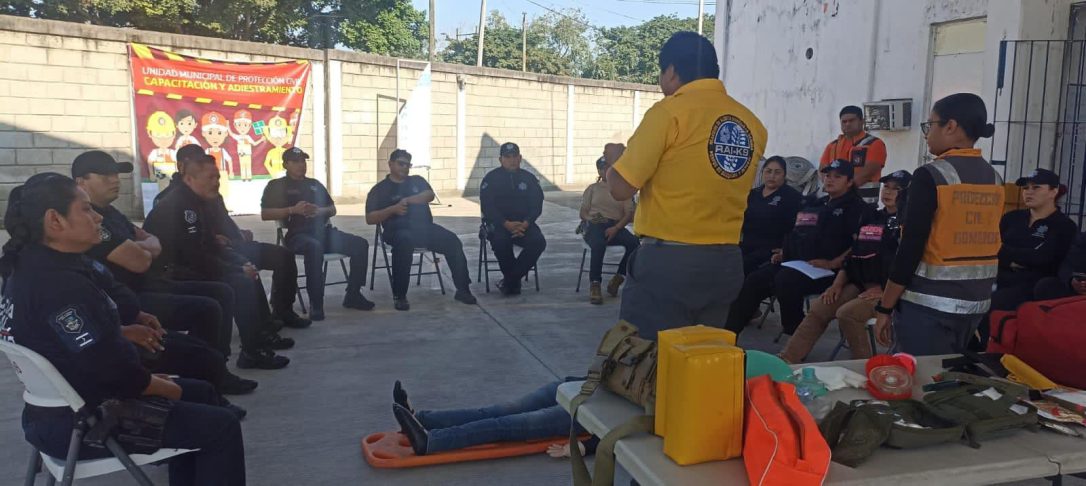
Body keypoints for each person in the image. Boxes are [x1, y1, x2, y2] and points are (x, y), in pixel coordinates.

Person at [0, 174, 245, 486]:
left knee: (202, 393)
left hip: (55, 411)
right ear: (55, 221)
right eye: (86, 209)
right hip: (81, 423)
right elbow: (115, 374)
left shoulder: (28, 267)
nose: (97, 217)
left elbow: (89, 353)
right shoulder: (60, 286)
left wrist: (147, 376)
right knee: (221, 425)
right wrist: (157, 385)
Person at [603, 32, 768, 340]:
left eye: (661, 72)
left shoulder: (669, 112)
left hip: (668, 262)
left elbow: (621, 189)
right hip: (726, 263)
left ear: (671, 71)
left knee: (644, 356)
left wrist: (614, 160)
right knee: (700, 355)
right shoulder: (751, 123)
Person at [71, 151, 256, 394]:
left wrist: (141, 246)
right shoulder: (90, 222)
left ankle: (217, 369)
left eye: (116, 174)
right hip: (130, 298)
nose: (115, 180)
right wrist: (144, 247)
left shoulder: (112, 213)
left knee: (222, 292)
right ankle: (209, 374)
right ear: (81, 182)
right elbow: (140, 260)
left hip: (148, 283)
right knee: (208, 306)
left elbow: (149, 240)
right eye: (105, 176)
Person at [875, 93, 1005, 356]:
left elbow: (911, 247)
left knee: (915, 375)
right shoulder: (994, 178)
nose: (926, 134)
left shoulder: (931, 175)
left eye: (930, 125)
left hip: (929, 306)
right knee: (947, 376)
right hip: (976, 304)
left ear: (950, 126)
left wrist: (885, 307)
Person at [145, 150, 291, 370]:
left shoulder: (198, 200)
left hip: (188, 265)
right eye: (210, 178)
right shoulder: (181, 205)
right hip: (169, 274)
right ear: (189, 179)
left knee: (247, 272)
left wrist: (240, 262)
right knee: (237, 283)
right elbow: (195, 256)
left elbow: (210, 244)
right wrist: (235, 270)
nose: (216, 183)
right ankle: (243, 354)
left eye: (218, 177)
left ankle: (259, 340)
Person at [725, 160, 873, 337]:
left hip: (832, 272)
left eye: (837, 177)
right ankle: (727, 335)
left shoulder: (859, 209)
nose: (830, 180)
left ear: (849, 182)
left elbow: (861, 246)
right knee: (755, 280)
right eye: (827, 175)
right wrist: (785, 252)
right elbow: (799, 233)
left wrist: (834, 263)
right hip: (802, 263)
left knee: (786, 281)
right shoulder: (817, 204)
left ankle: (797, 332)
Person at [779, 171, 908, 363]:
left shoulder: (910, 223)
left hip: (891, 291)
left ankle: (864, 365)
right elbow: (854, 255)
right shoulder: (872, 216)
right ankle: (787, 359)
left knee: (847, 314)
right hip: (860, 283)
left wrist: (885, 290)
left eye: (896, 189)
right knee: (820, 307)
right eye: (886, 187)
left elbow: (908, 264)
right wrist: (837, 285)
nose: (888, 192)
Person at [260, 147, 374, 320]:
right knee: (314, 248)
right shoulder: (276, 186)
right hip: (297, 235)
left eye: (303, 161)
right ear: (285, 164)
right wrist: (292, 210)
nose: (301, 165)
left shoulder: (314, 184)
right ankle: (316, 303)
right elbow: (265, 214)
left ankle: (353, 294)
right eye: (296, 161)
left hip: (324, 232)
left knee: (360, 244)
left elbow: (332, 209)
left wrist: (319, 211)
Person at [364, 149, 476, 311]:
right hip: (397, 231)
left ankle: (463, 289)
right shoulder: (379, 190)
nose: (405, 168)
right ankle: (400, 295)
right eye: (401, 164)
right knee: (404, 242)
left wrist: (408, 200)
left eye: (408, 165)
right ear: (390, 164)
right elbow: (370, 218)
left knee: (452, 241)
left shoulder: (417, 180)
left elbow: (429, 195)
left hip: (424, 229)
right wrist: (393, 209)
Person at [390, 380, 595, 457]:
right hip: (577, 386)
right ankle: (420, 419)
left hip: (589, 412)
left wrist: (587, 446)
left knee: (504, 425)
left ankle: (431, 442)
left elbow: (617, 434)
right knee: (495, 411)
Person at [480, 142, 547, 296]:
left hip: (524, 224)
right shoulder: (491, 178)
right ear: (500, 159)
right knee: (501, 242)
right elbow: (487, 207)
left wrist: (526, 223)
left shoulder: (529, 179)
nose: (512, 160)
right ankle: (513, 283)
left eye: (514, 156)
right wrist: (505, 224)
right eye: (507, 157)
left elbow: (536, 205)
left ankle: (510, 280)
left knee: (538, 242)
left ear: (520, 158)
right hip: (499, 224)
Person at [579, 156, 638, 305]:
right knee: (598, 244)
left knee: (635, 244)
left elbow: (628, 214)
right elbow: (583, 212)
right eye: (602, 168)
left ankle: (618, 278)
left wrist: (616, 228)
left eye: (609, 168)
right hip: (595, 223)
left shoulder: (623, 189)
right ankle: (595, 284)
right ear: (599, 171)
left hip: (616, 224)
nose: (605, 171)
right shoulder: (593, 189)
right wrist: (593, 219)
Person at [740, 156, 803, 275]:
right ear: (762, 172)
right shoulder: (753, 194)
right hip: (747, 246)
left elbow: (799, 229)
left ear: (784, 175)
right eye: (768, 171)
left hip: (771, 251)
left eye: (777, 172)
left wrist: (787, 250)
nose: (772, 176)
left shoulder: (793, 197)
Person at [820, 105, 888, 204]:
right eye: (844, 122)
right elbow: (822, 171)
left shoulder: (875, 144)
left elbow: (867, 173)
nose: (847, 124)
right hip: (835, 204)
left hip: (864, 204)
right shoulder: (832, 146)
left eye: (851, 121)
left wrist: (839, 190)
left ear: (862, 121)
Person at [1035, 231, 1086, 300]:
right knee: (1046, 285)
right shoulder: (1083, 240)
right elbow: (1068, 266)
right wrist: (1072, 281)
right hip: (1080, 291)